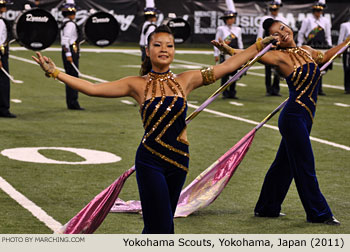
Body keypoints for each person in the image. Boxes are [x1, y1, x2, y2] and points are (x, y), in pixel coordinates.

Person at [33, 25, 276, 233]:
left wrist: (259, 45)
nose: (164, 50)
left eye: (169, 46)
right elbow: (92, 88)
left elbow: (229, 65)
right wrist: (55, 72)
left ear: (173, 51)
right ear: (148, 51)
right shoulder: (136, 84)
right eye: (158, 45)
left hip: (179, 163)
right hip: (150, 161)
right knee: (162, 228)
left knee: (158, 225)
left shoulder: (187, 79)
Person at [244, 18, 344, 225]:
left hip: (305, 118)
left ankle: (266, 207)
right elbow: (247, 56)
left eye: (282, 27)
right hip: (293, 118)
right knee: (305, 164)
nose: (283, 33)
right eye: (276, 34)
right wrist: (229, 49)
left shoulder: (306, 50)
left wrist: (347, 41)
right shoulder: (278, 57)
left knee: (284, 165)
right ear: (275, 41)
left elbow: (325, 56)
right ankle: (319, 213)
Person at [297, 0, 332, 95]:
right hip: (310, 46)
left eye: (320, 11)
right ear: (313, 11)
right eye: (316, 10)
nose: (318, 13)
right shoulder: (307, 20)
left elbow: (328, 35)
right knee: (310, 68)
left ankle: (319, 89)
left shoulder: (325, 21)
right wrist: (300, 45)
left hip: (321, 46)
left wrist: (329, 47)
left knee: (321, 68)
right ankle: (308, 88)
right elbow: (301, 33)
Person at [257, 0, 287, 97]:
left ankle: (276, 89)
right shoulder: (265, 18)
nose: (274, 11)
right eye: (272, 9)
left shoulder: (282, 19)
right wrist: (259, 44)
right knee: (268, 68)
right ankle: (268, 89)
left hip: (278, 45)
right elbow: (260, 32)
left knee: (278, 67)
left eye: (275, 9)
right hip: (268, 45)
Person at [214, 0, 243, 99]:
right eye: (228, 18)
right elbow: (217, 42)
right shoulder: (221, 29)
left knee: (235, 74)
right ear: (225, 19)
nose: (231, 20)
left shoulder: (237, 29)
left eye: (232, 18)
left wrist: (242, 53)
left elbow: (240, 42)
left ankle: (232, 92)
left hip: (235, 53)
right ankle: (224, 92)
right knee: (225, 73)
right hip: (224, 53)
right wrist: (216, 54)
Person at [60, 0, 83, 110]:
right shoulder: (70, 24)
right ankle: (73, 102)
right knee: (73, 78)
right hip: (70, 51)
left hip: (69, 51)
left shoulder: (65, 23)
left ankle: (72, 102)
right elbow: (65, 41)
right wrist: (69, 54)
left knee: (71, 77)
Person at [0, 0, 15, 118]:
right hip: (1, 55)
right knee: (4, 83)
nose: (5, 8)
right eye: (3, 6)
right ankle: (4, 109)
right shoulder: (0, 22)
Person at [338, 18, 350, 94]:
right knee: (348, 69)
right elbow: (341, 38)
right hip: (348, 50)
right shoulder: (345, 25)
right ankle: (348, 87)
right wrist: (339, 51)